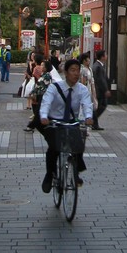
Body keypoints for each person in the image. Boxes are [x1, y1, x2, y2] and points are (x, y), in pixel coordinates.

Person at [39, 57, 93, 192]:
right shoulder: (55, 87)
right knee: (53, 149)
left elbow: (87, 104)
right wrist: (44, 116)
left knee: (78, 144)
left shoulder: (82, 89)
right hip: (55, 121)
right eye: (72, 70)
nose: (76, 73)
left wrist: (88, 117)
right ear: (66, 73)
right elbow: (46, 102)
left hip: (71, 121)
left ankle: (76, 172)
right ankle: (49, 175)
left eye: (78, 70)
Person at [91, 50, 111, 130]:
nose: (106, 56)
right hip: (99, 91)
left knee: (101, 106)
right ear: (102, 57)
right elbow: (100, 80)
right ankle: (93, 121)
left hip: (99, 90)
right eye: (105, 55)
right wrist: (106, 90)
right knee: (101, 106)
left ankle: (94, 122)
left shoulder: (98, 65)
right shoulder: (98, 67)